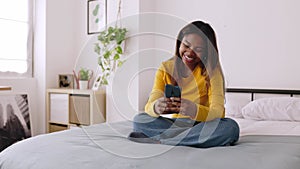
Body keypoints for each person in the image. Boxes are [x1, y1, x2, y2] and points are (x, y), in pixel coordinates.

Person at [128, 20, 240, 148]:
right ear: (179, 43)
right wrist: (156, 107)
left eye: (198, 49)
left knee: (230, 128)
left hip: (202, 125)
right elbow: (150, 104)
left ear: (206, 52)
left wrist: (194, 110)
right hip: (175, 125)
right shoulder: (166, 68)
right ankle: (187, 139)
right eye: (186, 46)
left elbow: (218, 112)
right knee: (140, 119)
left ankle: (163, 140)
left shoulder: (212, 72)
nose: (190, 53)